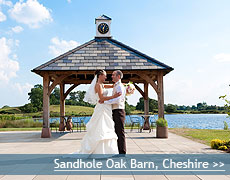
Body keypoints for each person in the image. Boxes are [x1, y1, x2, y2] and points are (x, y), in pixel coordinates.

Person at [76, 69, 121, 154]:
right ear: (100, 76)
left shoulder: (102, 85)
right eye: (105, 75)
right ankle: (98, 151)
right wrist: (114, 96)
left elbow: (113, 85)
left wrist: (124, 85)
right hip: (102, 108)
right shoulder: (98, 85)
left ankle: (107, 150)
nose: (106, 77)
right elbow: (101, 98)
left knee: (107, 127)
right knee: (101, 127)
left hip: (106, 108)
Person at [99, 70, 127, 154]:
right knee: (116, 131)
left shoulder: (119, 86)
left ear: (118, 76)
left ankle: (122, 152)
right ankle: (118, 151)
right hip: (115, 111)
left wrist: (105, 102)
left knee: (120, 132)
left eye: (113, 75)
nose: (111, 76)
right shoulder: (116, 85)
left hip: (119, 111)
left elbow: (118, 100)